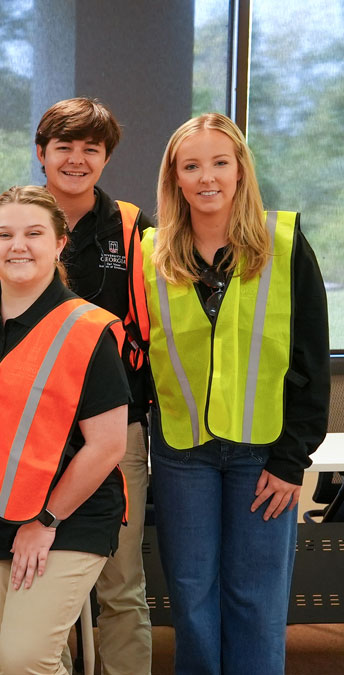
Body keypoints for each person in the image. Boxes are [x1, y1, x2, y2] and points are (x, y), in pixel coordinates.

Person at [143, 113, 329, 674]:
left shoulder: (285, 244)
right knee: (192, 596)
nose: (207, 178)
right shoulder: (152, 252)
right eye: (191, 165)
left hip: (263, 453)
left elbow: (311, 360)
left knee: (255, 597)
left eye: (220, 163)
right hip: (182, 452)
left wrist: (292, 460)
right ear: (175, 177)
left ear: (241, 169)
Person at [0, 186, 128, 674]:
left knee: (24, 658)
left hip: (68, 515)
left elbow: (109, 444)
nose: (17, 246)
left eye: (33, 233)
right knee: (2, 658)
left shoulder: (88, 328)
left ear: (60, 242)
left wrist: (45, 521)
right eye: (4, 234)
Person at [35, 97, 153, 673]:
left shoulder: (131, 226)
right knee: (39, 578)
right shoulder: (21, 219)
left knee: (121, 581)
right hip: (35, 431)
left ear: (106, 158)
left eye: (91, 149)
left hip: (116, 428)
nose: (77, 159)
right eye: (64, 147)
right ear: (41, 154)